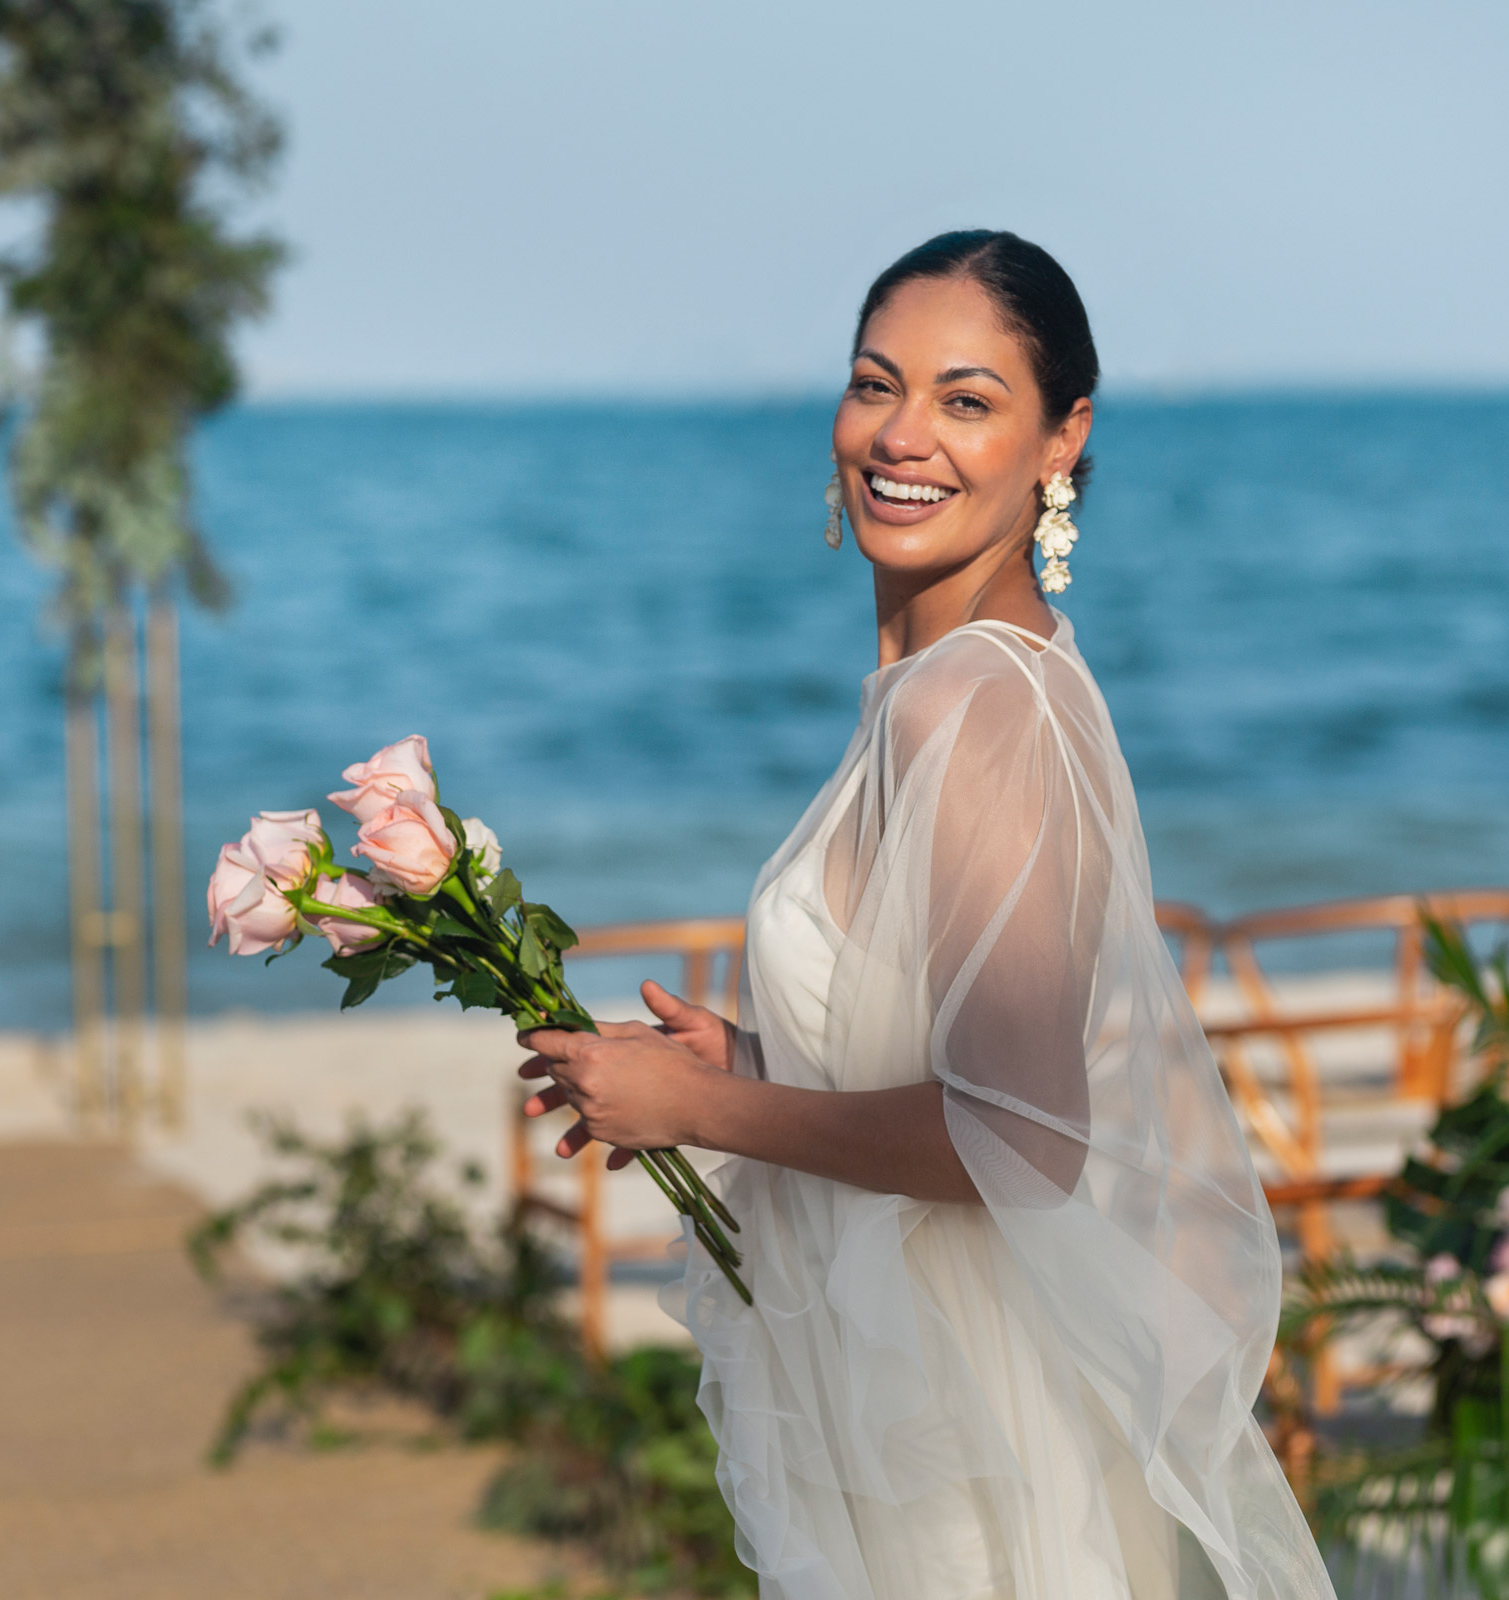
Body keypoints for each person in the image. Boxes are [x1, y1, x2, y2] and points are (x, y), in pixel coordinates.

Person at [518, 230, 1334, 1600]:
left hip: (968, 1443)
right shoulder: (963, 685)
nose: (903, 436)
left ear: (1061, 439)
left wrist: (697, 1112)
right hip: (926, 1398)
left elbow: (1024, 1136)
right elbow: (966, 1065)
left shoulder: (977, 705)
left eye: (969, 400)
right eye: (874, 383)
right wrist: (765, 1063)